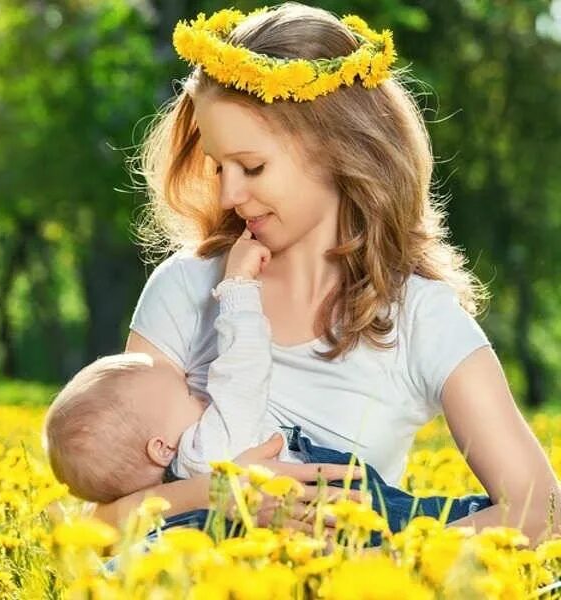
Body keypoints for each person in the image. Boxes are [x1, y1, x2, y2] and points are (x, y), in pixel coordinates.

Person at [87, 2, 561, 547]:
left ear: (339, 149)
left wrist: (378, 569)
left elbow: (541, 512)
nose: (229, 194)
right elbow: (101, 524)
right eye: (219, 167)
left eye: (253, 166)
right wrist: (221, 494)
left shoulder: (421, 319)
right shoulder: (186, 288)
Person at [44, 229, 492, 540]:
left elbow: (101, 524)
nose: (198, 390)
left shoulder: (168, 495)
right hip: (338, 505)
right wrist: (238, 290)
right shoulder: (209, 449)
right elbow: (243, 372)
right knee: (421, 520)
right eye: (185, 393)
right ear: (161, 447)